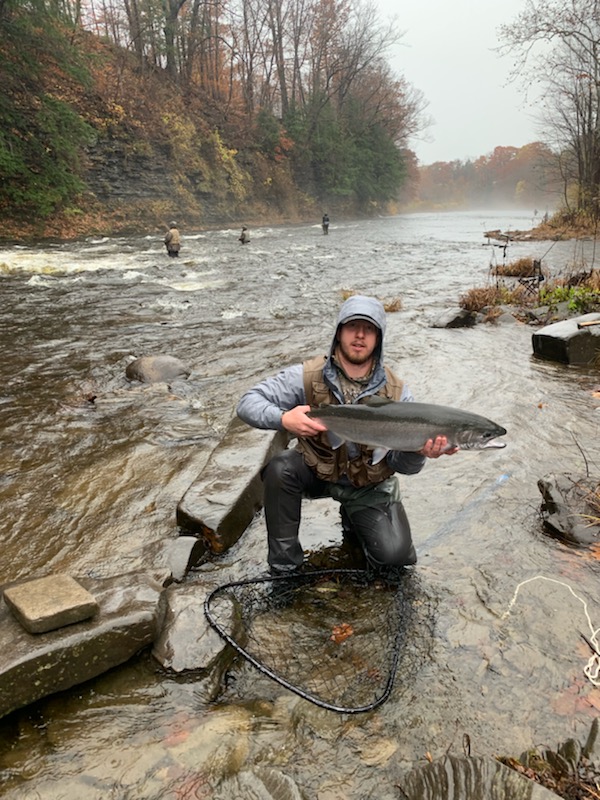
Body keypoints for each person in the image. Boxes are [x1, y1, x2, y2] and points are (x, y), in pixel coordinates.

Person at [236, 295, 457, 578]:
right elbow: (248, 402)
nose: (360, 335)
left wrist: (419, 451)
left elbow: (403, 467)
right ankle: (284, 568)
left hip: (369, 484)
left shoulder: (399, 395)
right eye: (352, 326)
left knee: (395, 559)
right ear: (339, 332)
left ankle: (355, 519)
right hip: (315, 471)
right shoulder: (306, 376)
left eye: (369, 329)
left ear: (379, 338)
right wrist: (283, 419)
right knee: (281, 468)